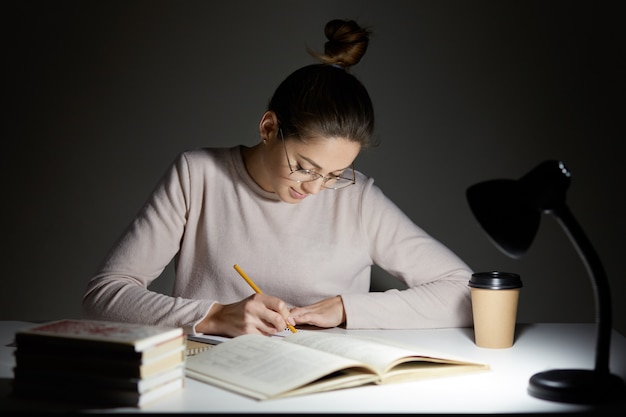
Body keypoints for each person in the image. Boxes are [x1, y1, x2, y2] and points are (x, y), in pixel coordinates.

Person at [82, 19, 473, 336]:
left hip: (327, 382)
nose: (316, 187)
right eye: (305, 166)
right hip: (210, 377)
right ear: (269, 128)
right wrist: (214, 316)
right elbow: (105, 294)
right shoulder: (197, 175)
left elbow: (467, 292)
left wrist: (346, 308)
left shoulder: (358, 199)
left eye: (336, 174)